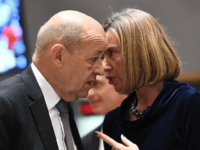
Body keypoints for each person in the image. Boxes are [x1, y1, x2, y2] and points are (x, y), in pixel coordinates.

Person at [0, 10, 108, 150]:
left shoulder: (63, 100)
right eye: (94, 58)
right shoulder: (5, 105)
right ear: (58, 56)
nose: (100, 70)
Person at [95, 8, 200, 150]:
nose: (104, 66)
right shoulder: (112, 121)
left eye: (111, 53)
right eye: (102, 57)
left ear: (138, 52)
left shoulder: (189, 104)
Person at [82, 74, 127, 150]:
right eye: (88, 86)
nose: (89, 94)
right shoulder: (83, 145)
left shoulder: (149, 133)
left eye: (97, 84)